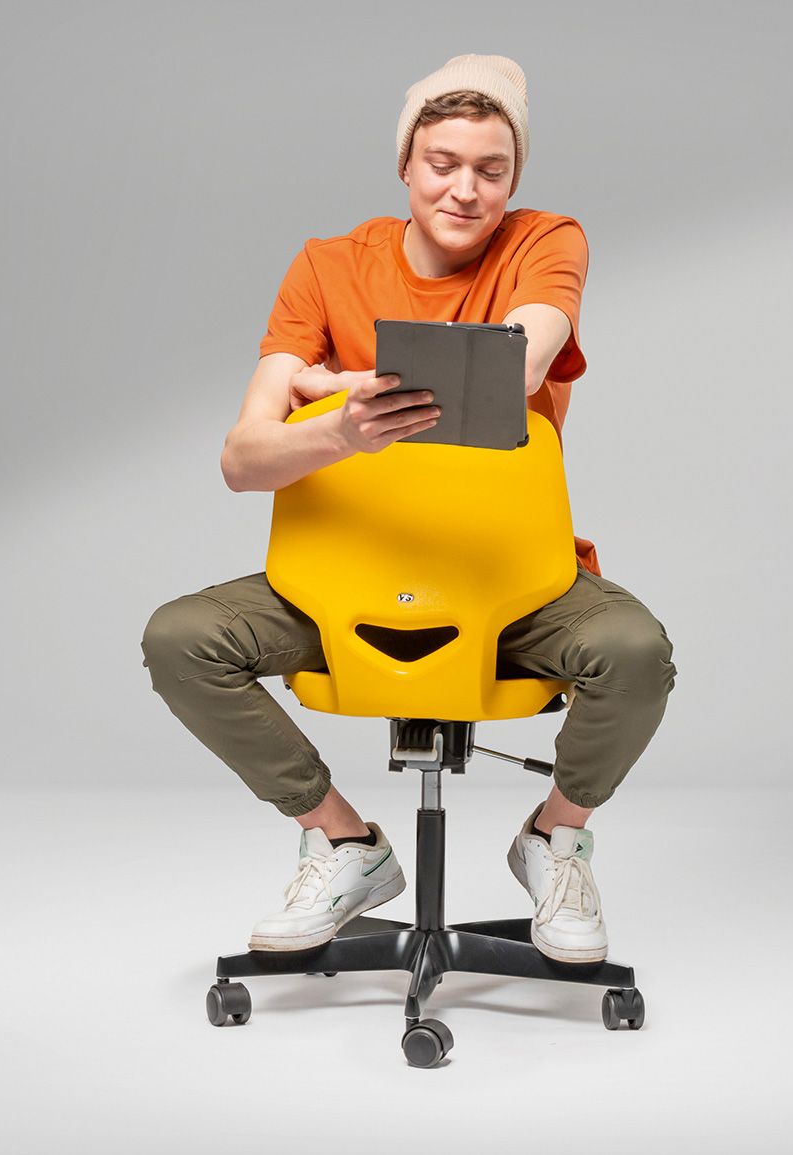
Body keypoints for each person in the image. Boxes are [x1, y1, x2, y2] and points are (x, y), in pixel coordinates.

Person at [141, 54, 676, 965]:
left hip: (513, 582)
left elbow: (520, 364)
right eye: (442, 163)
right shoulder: (325, 266)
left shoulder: (546, 240)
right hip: (343, 584)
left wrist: (330, 386)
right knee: (182, 638)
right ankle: (344, 841)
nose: (466, 189)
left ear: (515, 176)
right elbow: (243, 459)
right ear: (404, 165)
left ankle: (555, 835)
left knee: (635, 654)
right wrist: (341, 430)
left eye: (491, 169)